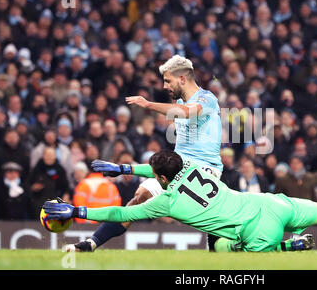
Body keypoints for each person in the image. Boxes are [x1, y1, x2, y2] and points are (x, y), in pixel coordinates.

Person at [44, 150, 317, 252]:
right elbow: (157, 167)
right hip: (272, 202)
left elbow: (119, 211)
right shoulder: (194, 166)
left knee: (229, 253)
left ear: (160, 180)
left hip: (257, 230)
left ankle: (287, 249)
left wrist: (78, 210)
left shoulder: (166, 204)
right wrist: (125, 167)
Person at [66, 55, 223, 251]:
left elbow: (184, 111)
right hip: (179, 168)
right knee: (140, 196)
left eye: (168, 80)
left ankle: (222, 250)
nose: (165, 86)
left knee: (213, 223)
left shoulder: (206, 99)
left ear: (182, 78)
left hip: (205, 171)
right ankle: (91, 243)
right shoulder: (181, 101)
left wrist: (148, 104)